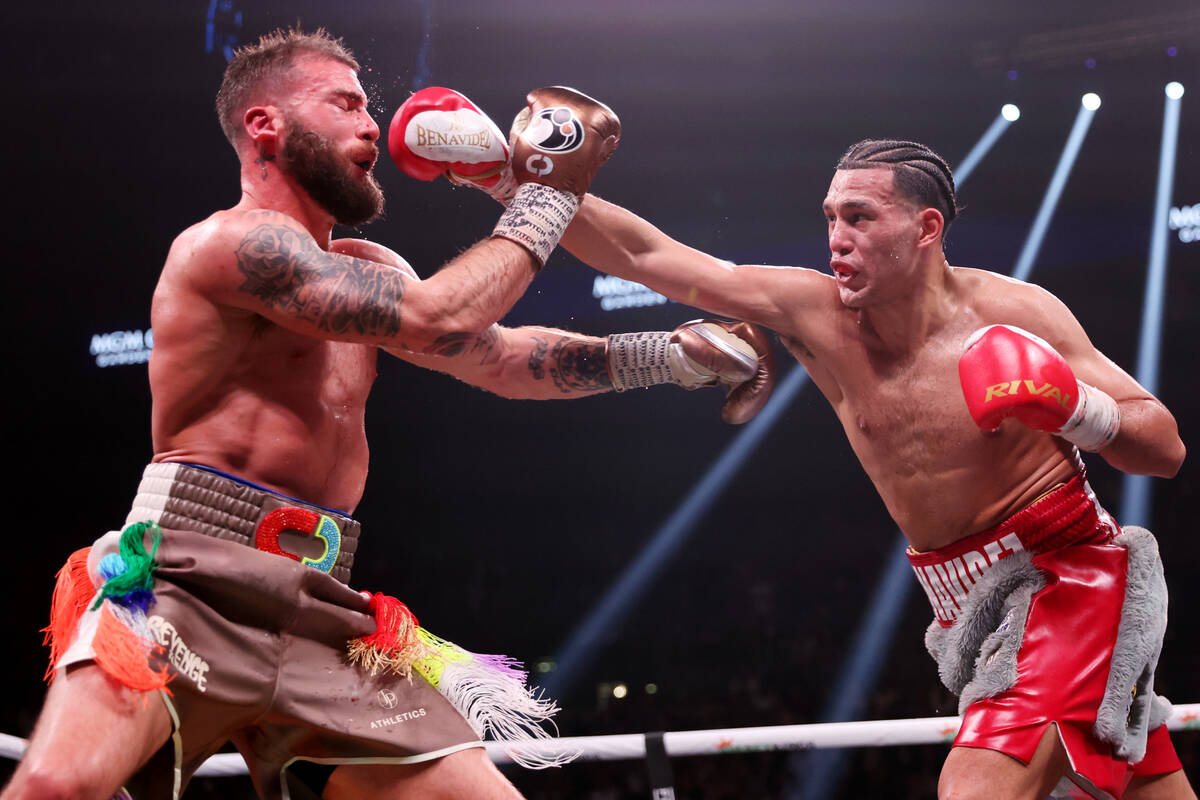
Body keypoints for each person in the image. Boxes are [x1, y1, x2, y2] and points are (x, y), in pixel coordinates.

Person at [2, 29, 776, 800]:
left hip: (320, 607)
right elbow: (437, 315)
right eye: (344, 103)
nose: (372, 123)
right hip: (190, 582)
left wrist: (670, 357)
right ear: (265, 125)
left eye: (370, 106)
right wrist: (545, 191)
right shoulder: (226, 246)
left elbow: (500, 359)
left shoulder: (370, 269)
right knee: (56, 786)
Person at [544, 138, 1192, 799]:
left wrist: (1073, 406)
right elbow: (647, 256)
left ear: (926, 227)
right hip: (966, 607)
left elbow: (1165, 447)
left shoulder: (1015, 314)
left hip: (1070, 577)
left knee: (977, 788)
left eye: (859, 217)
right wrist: (526, 186)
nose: (837, 238)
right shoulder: (816, 314)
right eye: (830, 217)